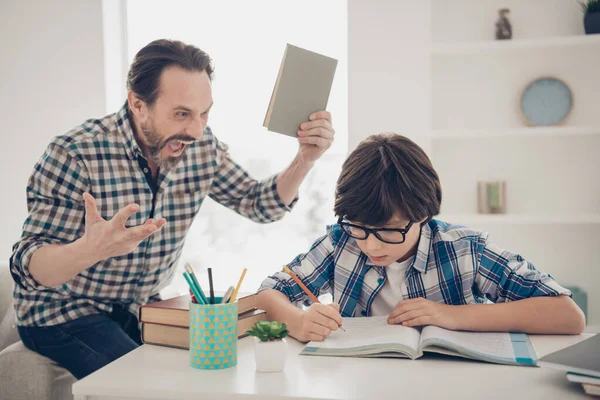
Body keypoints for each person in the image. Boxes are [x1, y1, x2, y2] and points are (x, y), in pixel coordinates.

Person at [10, 39, 335, 379]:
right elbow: (29, 270)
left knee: (209, 376)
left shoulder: (200, 147)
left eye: (204, 113)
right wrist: (90, 250)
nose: (196, 130)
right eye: (182, 114)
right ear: (138, 104)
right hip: (63, 310)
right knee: (150, 386)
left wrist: (305, 158)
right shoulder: (75, 153)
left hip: (142, 307)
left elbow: (260, 205)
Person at [257, 133, 585, 343]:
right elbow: (270, 293)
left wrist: (451, 315)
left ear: (423, 214)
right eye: (360, 227)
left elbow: (568, 315)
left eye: (389, 230)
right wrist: (299, 323)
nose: (371, 245)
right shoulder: (341, 242)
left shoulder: (464, 250)